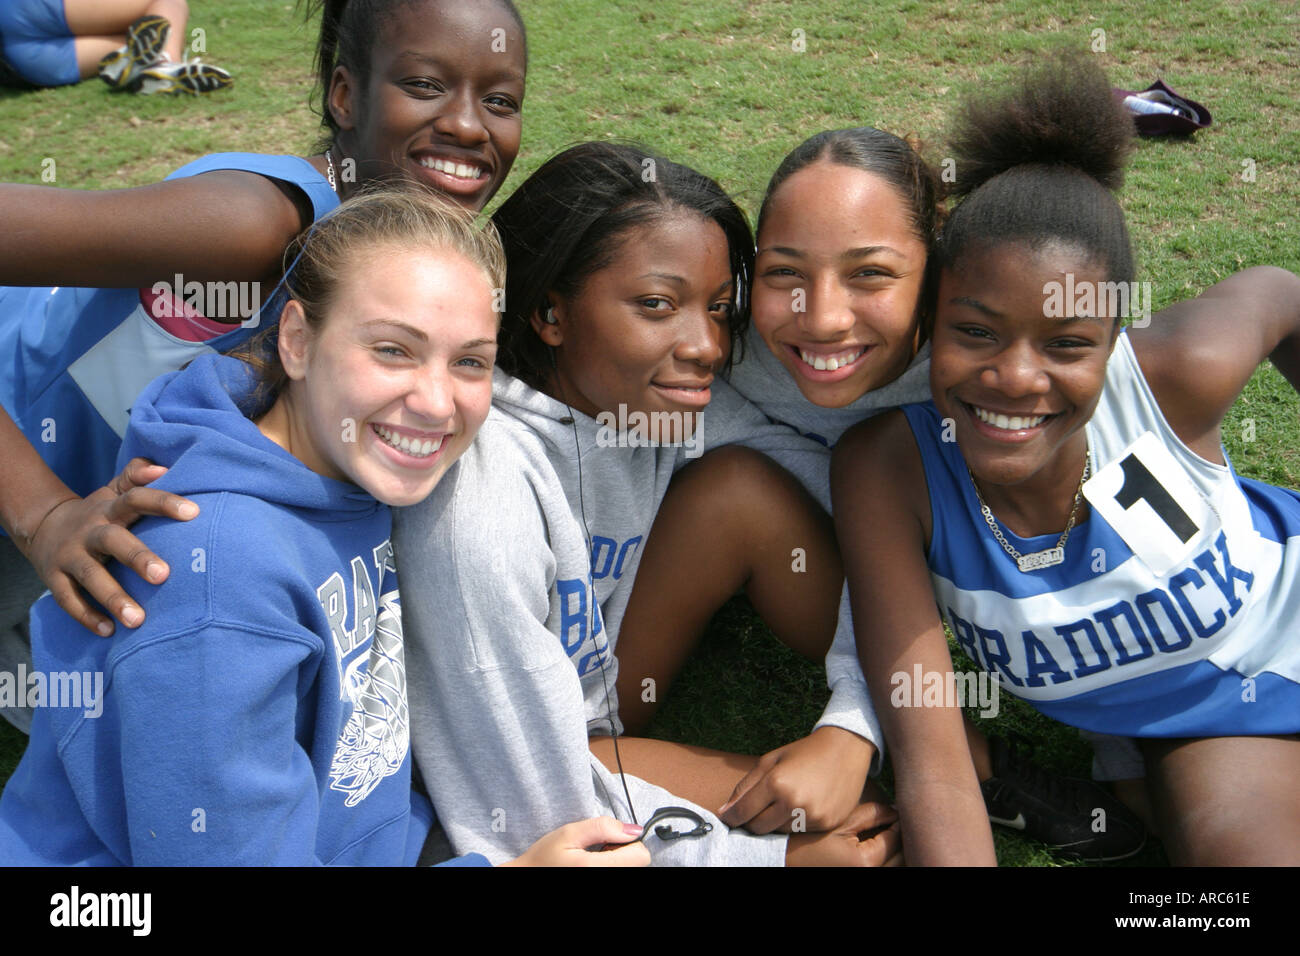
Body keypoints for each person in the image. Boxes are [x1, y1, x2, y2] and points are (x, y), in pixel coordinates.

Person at [0, 188, 649, 867]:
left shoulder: (341, 464)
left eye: (470, 362)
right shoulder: (216, 577)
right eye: (393, 350)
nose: (434, 402)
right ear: (298, 341)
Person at [615, 124, 1147, 860]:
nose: (824, 316)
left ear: (939, 275)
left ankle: (959, 765)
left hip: (918, 574)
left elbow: (1091, 544)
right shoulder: (722, 348)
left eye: (870, 274)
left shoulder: (996, 370)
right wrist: (856, 724)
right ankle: (948, 771)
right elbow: (834, 516)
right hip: (794, 547)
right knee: (736, 493)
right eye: (783, 273)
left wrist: (1123, 750)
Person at [0, 0, 528, 728]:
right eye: (426, 86)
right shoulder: (251, 227)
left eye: (499, 100)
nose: (469, 125)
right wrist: (43, 515)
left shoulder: (420, 268)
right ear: (346, 95)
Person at [831, 54, 1300, 865]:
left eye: (1066, 344)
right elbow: (936, 765)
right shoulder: (890, 471)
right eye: (975, 331)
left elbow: (1279, 292)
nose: (1014, 377)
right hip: (1217, 722)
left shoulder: (1173, 376)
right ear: (928, 326)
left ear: (1114, 343)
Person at [395, 142, 902, 866]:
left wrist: (856, 722)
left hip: (600, 691)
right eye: (657, 305)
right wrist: (770, 862)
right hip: (524, 753)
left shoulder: (664, 404)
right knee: (848, 833)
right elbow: (524, 814)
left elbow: (871, 531)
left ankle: (940, 741)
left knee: (744, 492)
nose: (705, 345)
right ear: (549, 311)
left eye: (720, 309)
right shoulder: (470, 504)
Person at [0, 1, 231, 93]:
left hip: (28, 66)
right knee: (164, 2)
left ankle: (138, 63)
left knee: (136, 38)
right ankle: (166, 63)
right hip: (22, 10)